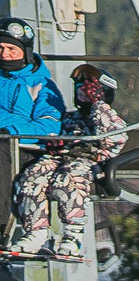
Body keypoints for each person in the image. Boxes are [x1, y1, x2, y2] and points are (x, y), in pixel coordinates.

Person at [10, 62, 112, 262]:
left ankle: (72, 237)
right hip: (59, 159)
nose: (82, 95)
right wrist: (55, 142)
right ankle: (36, 232)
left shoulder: (106, 117)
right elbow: (57, 131)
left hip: (85, 162)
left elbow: (113, 138)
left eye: (87, 91)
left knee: (66, 181)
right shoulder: (70, 118)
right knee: (32, 177)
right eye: (79, 90)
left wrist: (99, 105)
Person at [0, 22, 62, 148]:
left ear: (26, 52)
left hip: (19, 146)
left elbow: (49, 124)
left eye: (11, 49)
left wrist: (10, 133)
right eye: (0, 48)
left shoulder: (41, 85)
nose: (4, 54)